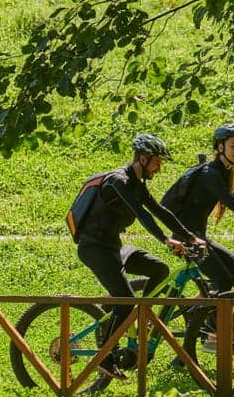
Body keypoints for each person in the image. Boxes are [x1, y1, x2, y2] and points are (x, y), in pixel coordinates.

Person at [73, 133, 203, 380]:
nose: (159, 167)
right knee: (127, 303)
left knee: (159, 270)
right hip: (95, 249)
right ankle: (104, 355)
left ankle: (141, 320)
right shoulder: (118, 182)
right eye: (157, 162)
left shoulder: (136, 183)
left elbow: (159, 211)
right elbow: (142, 215)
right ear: (142, 159)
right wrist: (165, 240)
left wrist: (190, 237)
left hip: (114, 247)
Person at [161, 123, 234, 303]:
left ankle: (198, 309)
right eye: (233, 146)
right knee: (223, 281)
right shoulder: (209, 173)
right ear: (220, 147)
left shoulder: (223, 172)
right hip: (187, 239)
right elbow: (231, 202)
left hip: (199, 237)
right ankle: (207, 326)